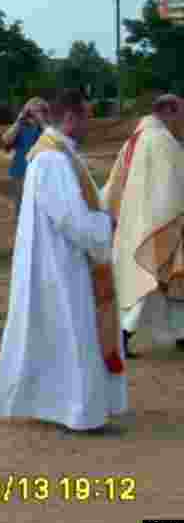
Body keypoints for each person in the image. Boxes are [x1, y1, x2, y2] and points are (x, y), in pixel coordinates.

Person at [0, 90, 127, 434]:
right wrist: (104, 225)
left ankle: (61, 405)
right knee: (71, 335)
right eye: (87, 117)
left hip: (60, 261)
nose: (90, 125)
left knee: (61, 335)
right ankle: (78, 410)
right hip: (62, 266)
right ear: (70, 118)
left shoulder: (58, 154)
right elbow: (70, 219)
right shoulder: (52, 159)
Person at [101, 94, 184, 358]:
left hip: (135, 223)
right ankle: (123, 336)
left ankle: (181, 333)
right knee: (151, 284)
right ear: (169, 110)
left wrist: (112, 216)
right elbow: (176, 185)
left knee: (168, 283)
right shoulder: (163, 141)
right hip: (161, 224)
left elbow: (114, 185)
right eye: (180, 112)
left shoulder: (134, 141)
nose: (182, 120)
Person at [1, 97, 50, 220]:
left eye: (38, 110)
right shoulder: (21, 127)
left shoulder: (46, 129)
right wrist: (19, 121)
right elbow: (6, 139)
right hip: (20, 173)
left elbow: (53, 139)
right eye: (31, 110)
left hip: (42, 175)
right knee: (21, 213)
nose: (33, 113)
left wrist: (41, 122)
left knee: (42, 213)